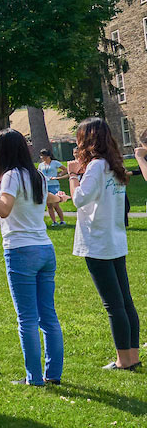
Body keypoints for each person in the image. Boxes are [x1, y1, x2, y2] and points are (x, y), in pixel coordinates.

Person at [0, 130, 67, 386]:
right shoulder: (37, 176)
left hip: (21, 251)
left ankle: (34, 378)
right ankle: (53, 374)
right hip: (45, 249)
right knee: (48, 316)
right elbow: (52, 199)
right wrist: (61, 197)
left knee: (27, 318)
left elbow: (3, 210)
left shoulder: (11, 176)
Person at [68, 118, 138, 371]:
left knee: (114, 304)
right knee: (125, 301)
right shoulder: (113, 164)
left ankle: (123, 361)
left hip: (98, 241)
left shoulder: (96, 166)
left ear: (87, 140)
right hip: (114, 238)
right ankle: (132, 356)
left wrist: (74, 174)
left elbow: (79, 199)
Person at [38, 150, 67, 227]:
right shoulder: (41, 165)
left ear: (48, 156)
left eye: (44, 156)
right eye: (41, 156)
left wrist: (59, 175)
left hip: (54, 185)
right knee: (49, 205)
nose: (42, 158)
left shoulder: (55, 163)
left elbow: (65, 169)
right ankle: (54, 221)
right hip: (46, 185)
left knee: (55, 204)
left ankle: (62, 221)